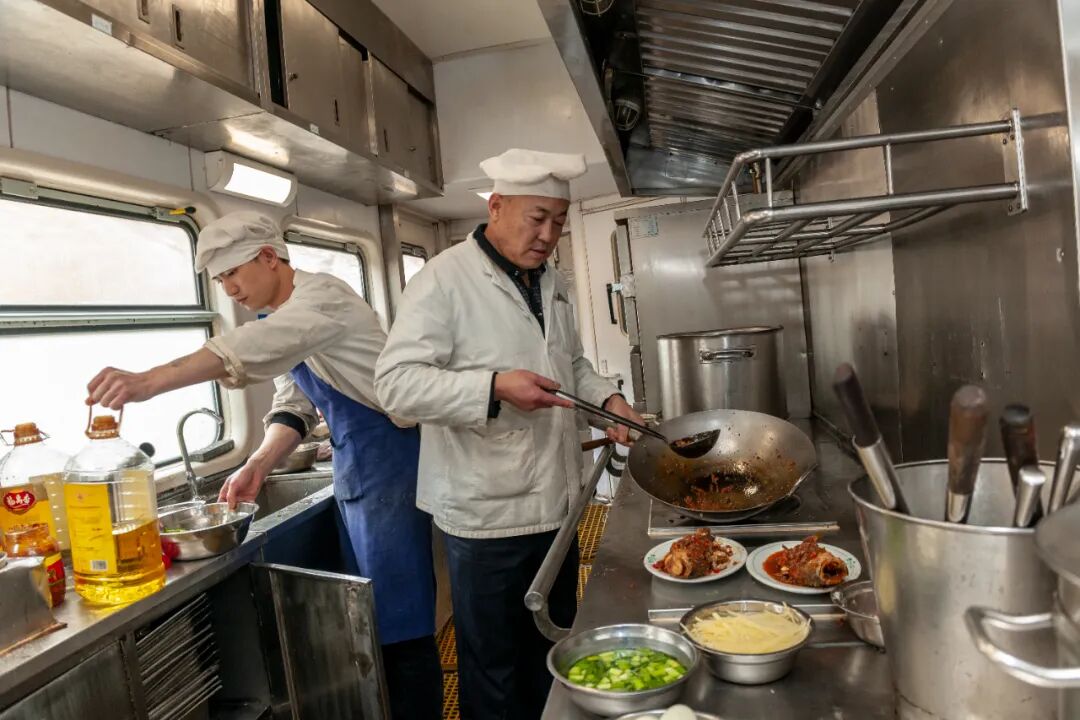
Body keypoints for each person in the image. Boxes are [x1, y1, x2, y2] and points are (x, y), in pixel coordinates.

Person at [85, 211, 442, 720]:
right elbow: (294, 404)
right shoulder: (277, 320)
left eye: (234, 273)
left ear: (270, 257)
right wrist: (257, 463)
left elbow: (244, 352)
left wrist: (147, 381)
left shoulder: (323, 298)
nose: (229, 289)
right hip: (357, 470)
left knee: (401, 620)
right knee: (374, 616)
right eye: (219, 280)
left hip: (390, 460)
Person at [374, 148, 645, 720]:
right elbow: (395, 387)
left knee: (553, 650)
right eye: (537, 218)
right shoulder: (444, 279)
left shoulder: (552, 280)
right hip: (486, 517)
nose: (548, 235)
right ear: (496, 207)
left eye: (559, 222)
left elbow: (572, 365)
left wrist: (609, 403)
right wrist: (494, 386)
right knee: (495, 671)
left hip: (558, 508)